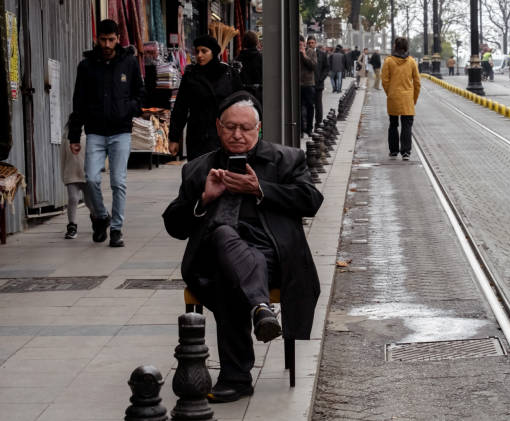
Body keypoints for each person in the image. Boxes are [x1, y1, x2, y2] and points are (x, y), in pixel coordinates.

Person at [162, 91, 324, 404]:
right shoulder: (198, 169)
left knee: (230, 277)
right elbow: (174, 226)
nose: (238, 135)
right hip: (212, 261)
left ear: (258, 129)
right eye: (230, 127)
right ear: (218, 128)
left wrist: (260, 188)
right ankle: (259, 308)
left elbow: (311, 201)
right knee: (223, 238)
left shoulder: (286, 160)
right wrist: (204, 199)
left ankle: (236, 378)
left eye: (246, 128)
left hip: (273, 257)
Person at [68, 19, 145, 247]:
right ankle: (101, 217)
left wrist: (127, 109)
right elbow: (78, 102)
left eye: (111, 39)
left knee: (118, 182)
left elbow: (140, 94)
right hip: (95, 132)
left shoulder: (129, 63)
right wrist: (74, 135)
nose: (107, 44)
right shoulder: (87, 66)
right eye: (103, 39)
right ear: (97, 38)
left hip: (121, 131)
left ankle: (116, 229)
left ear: (118, 38)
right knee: (90, 179)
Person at [169, 35, 242, 161]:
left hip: (225, 135)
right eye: (197, 51)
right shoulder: (191, 76)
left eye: (204, 51)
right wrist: (174, 138)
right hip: (198, 136)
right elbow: (180, 109)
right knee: (198, 175)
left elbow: (241, 105)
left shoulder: (229, 74)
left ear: (213, 52)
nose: (199, 55)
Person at [381, 37, 420, 161]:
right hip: (408, 98)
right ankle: (406, 152)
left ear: (395, 46)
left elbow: (384, 80)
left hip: (393, 97)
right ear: (406, 47)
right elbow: (417, 83)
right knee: (407, 125)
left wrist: (390, 92)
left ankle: (393, 151)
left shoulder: (388, 61)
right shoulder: (412, 62)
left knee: (393, 124)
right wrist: (414, 98)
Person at [61, 119, 91, 240]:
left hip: (87, 174)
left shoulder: (90, 135)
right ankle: (72, 226)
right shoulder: (66, 136)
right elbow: (62, 157)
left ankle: (98, 219)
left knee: (90, 202)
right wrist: (63, 175)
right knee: (73, 199)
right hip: (71, 173)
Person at [234, 31, 263, 105]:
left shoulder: (237, 59)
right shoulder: (262, 59)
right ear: (256, 42)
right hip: (259, 97)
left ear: (243, 43)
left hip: (242, 97)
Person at [299, 35, 317, 136]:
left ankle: (310, 128)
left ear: (304, 44)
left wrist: (304, 55)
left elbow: (313, 66)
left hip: (309, 84)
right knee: (299, 107)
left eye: (301, 45)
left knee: (310, 106)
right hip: (298, 84)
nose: (300, 47)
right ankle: (301, 129)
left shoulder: (311, 52)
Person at [311, 38, 329, 127]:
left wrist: (321, 78)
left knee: (318, 105)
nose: (311, 44)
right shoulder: (304, 53)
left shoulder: (322, 54)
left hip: (318, 84)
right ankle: (307, 126)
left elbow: (326, 68)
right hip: (308, 84)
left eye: (312, 43)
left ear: (315, 43)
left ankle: (318, 123)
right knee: (309, 105)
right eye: (309, 43)